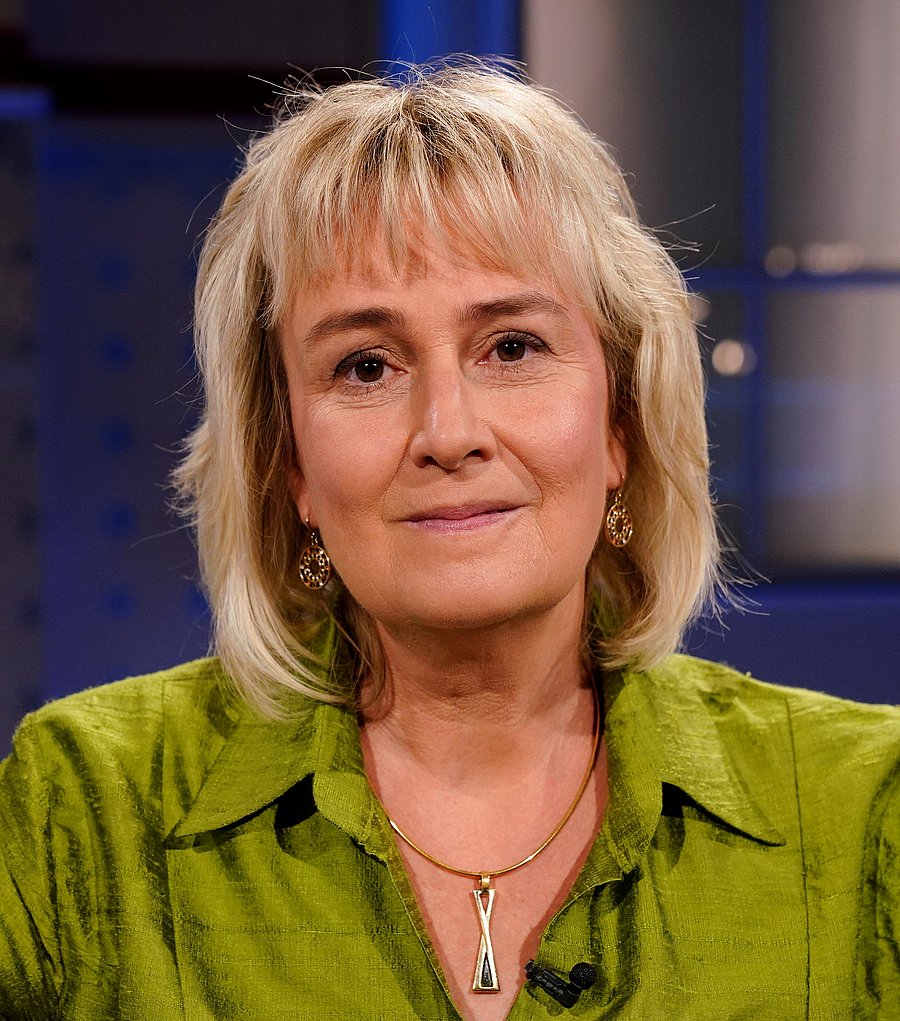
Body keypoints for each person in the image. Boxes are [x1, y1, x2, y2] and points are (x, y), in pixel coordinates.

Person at [1, 59, 898, 1021]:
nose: (447, 431)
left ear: (619, 426)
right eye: (365, 364)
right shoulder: (86, 808)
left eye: (511, 346)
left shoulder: (862, 812)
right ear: (290, 462)